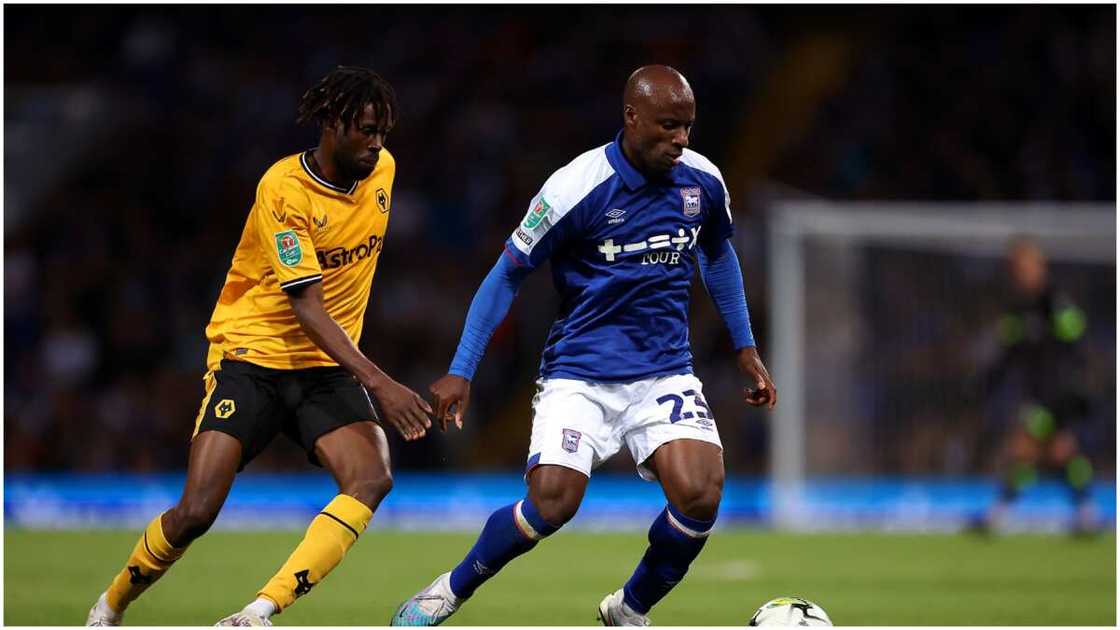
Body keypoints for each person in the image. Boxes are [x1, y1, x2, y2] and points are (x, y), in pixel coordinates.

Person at [391, 65, 777, 627]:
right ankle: (448, 590)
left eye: (688, 127)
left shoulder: (702, 181)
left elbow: (717, 254)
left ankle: (630, 608)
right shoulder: (576, 186)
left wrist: (745, 348)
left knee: (701, 492)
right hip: (579, 373)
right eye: (668, 126)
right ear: (631, 117)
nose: (681, 140)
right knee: (553, 502)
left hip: (664, 372)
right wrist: (462, 369)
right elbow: (506, 275)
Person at [85, 66, 434, 627]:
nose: (377, 144)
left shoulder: (383, 171)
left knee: (371, 478)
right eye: (366, 130)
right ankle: (111, 604)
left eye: (383, 132)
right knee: (197, 511)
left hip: (325, 366)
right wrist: (381, 382)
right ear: (330, 123)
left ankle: (258, 611)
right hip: (254, 357)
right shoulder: (283, 190)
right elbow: (307, 305)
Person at [971, 236, 1097, 535]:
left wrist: (1075, 381)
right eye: (1017, 267)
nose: (1022, 272)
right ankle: (1086, 514)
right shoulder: (1017, 310)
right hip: (1037, 391)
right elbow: (1007, 353)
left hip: (1058, 392)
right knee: (1058, 452)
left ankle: (996, 515)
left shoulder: (1056, 300)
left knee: (1025, 447)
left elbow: (1076, 342)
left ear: (1040, 266)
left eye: (1027, 266)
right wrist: (988, 382)